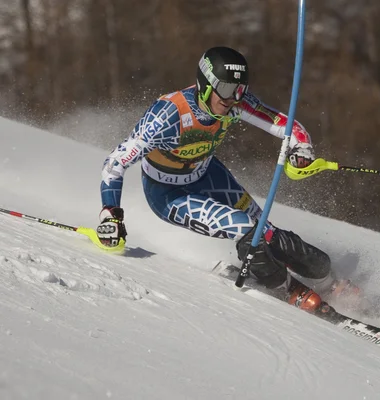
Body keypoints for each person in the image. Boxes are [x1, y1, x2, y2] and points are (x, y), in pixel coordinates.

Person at [97, 46, 357, 312]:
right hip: (170, 194)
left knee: (269, 234)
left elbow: (286, 126)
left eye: (239, 89)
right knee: (249, 232)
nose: (233, 97)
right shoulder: (167, 115)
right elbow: (115, 163)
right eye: (225, 88)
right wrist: (110, 215)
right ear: (205, 84)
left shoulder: (234, 103)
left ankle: (328, 279)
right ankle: (288, 289)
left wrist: (301, 151)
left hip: (209, 175)